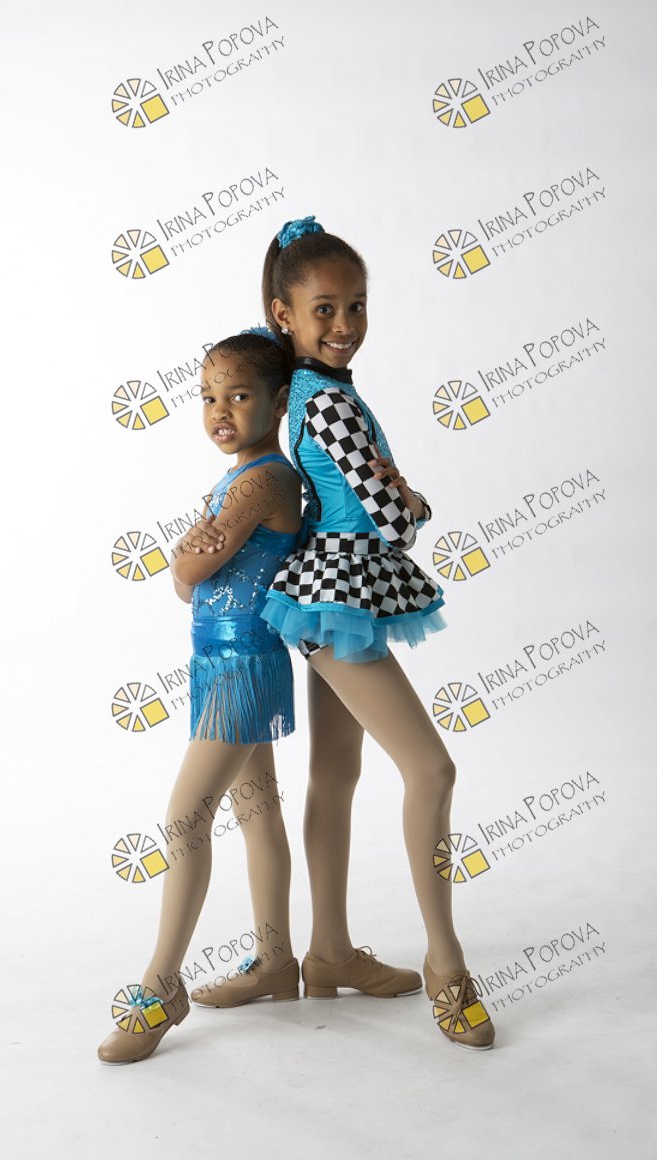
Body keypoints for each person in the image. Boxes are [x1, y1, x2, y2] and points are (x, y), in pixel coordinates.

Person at [256, 216, 495, 1050]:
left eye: (356, 305)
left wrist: (394, 497)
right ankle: (446, 961)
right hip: (338, 594)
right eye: (324, 309)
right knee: (432, 767)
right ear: (285, 314)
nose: (345, 324)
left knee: (336, 771)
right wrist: (416, 500)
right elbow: (394, 519)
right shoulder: (327, 401)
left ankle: (328, 952)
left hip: (334, 590)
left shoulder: (310, 387)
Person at [97, 332, 304, 1064]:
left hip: (242, 663)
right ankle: (276, 961)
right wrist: (188, 561)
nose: (220, 411)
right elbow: (189, 583)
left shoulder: (261, 481)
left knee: (185, 818)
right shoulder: (238, 478)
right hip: (220, 660)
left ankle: (162, 986)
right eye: (209, 397)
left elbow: (189, 568)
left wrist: (187, 557)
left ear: (278, 402)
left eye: (238, 395)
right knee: (257, 811)